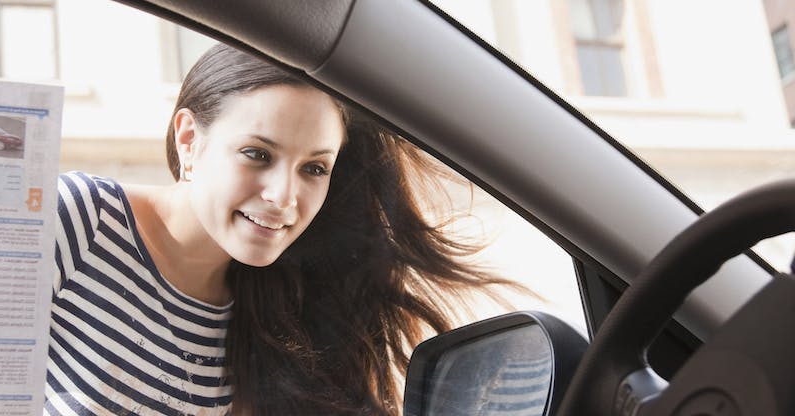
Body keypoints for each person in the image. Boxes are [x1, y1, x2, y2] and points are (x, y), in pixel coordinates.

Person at [45, 44, 520, 416]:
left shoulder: (274, 310)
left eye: (314, 168)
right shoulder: (79, 221)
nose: (285, 196)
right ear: (189, 139)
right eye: (258, 154)